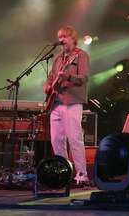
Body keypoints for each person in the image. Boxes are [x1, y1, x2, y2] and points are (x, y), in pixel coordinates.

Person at [43, 26, 91, 186]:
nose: (61, 40)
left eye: (64, 36)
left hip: (72, 102)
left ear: (72, 38)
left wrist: (68, 76)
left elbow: (84, 78)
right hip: (55, 103)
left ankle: (82, 175)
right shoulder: (58, 58)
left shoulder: (81, 55)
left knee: (75, 139)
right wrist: (47, 85)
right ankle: (64, 173)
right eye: (59, 37)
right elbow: (51, 77)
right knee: (56, 140)